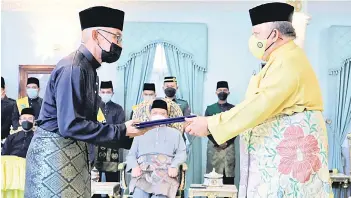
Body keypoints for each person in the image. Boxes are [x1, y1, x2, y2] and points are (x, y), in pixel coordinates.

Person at [185, 2, 332, 197]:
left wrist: (211, 124)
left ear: (275, 35)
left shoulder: (288, 61)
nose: (253, 40)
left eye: (256, 34)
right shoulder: (280, 59)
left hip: (289, 166)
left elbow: (258, 105)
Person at [24, 6, 149, 198]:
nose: (119, 44)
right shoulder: (73, 68)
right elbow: (70, 125)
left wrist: (126, 132)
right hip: (54, 157)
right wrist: (121, 130)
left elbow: (84, 123)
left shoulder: (89, 69)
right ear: (97, 35)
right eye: (116, 37)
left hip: (71, 155)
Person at [127, 99, 186, 198]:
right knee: (139, 195)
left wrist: (174, 166)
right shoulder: (140, 132)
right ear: (149, 115)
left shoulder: (175, 134)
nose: (159, 115)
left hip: (166, 175)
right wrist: (134, 166)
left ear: (167, 116)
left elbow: (181, 153)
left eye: (162, 113)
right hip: (143, 174)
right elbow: (131, 154)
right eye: (155, 113)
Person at [92, 80, 131, 198]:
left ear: (112, 93)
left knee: (113, 182)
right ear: (99, 92)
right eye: (103, 92)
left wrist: (105, 129)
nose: (105, 94)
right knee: (94, 182)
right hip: (95, 149)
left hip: (112, 150)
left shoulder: (118, 109)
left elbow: (121, 127)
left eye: (108, 92)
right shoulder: (94, 107)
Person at [205, 81, 235, 185]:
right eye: (220, 90)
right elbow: (206, 128)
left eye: (225, 90)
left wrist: (227, 142)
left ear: (228, 92)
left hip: (229, 147)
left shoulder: (233, 109)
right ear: (216, 92)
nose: (222, 92)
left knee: (228, 176)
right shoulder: (210, 109)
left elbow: (236, 127)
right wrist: (218, 142)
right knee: (213, 178)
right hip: (214, 147)